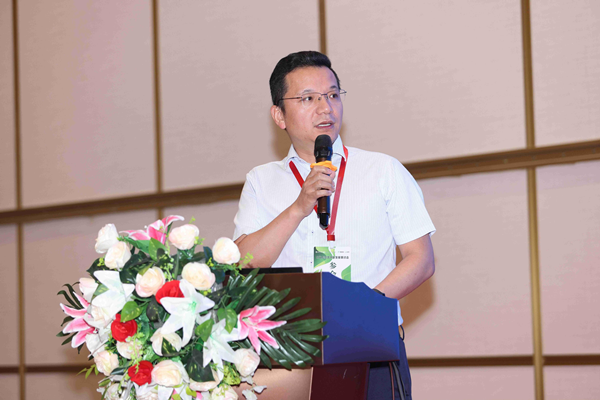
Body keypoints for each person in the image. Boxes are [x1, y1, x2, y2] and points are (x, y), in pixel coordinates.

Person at [233, 51, 435, 400]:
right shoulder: (261, 181)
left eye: (332, 94)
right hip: (289, 353)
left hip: (370, 346)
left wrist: (361, 309)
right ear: (279, 115)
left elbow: (421, 259)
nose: (325, 107)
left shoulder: (382, 170)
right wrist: (299, 207)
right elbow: (244, 262)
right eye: (308, 98)